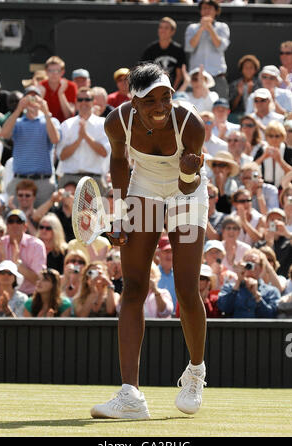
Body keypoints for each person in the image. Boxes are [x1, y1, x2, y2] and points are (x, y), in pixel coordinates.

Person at [90, 62, 208, 420]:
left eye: (166, 97)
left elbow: (189, 184)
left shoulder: (190, 124)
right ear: (132, 100)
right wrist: (117, 212)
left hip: (186, 194)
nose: (160, 106)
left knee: (187, 290)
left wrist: (188, 171)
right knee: (134, 287)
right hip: (143, 190)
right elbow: (118, 162)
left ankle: (196, 372)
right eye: (150, 100)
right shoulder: (116, 122)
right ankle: (131, 396)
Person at [0, 85, 60, 207]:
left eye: (35, 97)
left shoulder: (51, 121)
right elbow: (4, 134)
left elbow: (55, 139)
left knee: (44, 221)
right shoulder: (17, 122)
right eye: (29, 97)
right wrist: (18, 110)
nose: (32, 100)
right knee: (17, 219)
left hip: (43, 182)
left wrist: (46, 112)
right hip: (20, 181)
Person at [56, 86, 111, 193]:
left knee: (97, 210)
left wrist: (85, 136)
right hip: (69, 179)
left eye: (87, 99)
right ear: (76, 102)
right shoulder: (66, 125)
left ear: (93, 102)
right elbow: (61, 156)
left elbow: (104, 152)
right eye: (80, 100)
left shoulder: (102, 124)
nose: (84, 102)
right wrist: (79, 140)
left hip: (94, 179)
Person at [184, 0, 230, 99]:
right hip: (196, 78)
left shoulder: (222, 27)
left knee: (219, 108)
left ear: (216, 11)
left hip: (217, 76)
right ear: (200, 11)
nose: (206, 11)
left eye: (209, 8)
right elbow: (189, 47)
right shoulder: (192, 28)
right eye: (204, 8)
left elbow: (221, 46)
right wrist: (201, 29)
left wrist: (209, 28)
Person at [0, 209, 46, 295]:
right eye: (11, 221)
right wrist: (3, 260)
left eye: (19, 221)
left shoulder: (37, 245)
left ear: (25, 226)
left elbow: (38, 280)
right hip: (1, 294)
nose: (14, 225)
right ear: (7, 226)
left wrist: (17, 263)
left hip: (30, 296)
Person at [218, 248, 280, 318]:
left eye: (253, 263)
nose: (249, 266)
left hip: (259, 328)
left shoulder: (271, 292)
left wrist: (257, 296)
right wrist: (238, 283)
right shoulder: (229, 287)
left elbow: (272, 315)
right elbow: (224, 308)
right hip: (236, 328)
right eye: (247, 263)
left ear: (261, 268)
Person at [140, 17, 186, 90]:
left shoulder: (178, 50)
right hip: (154, 89)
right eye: (161, 27)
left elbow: (179, 75)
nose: (163, 30)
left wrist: (172, 91)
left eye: (166, 28)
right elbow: (146, 73)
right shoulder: (150, 50)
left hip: (175, 90)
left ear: (172, 31)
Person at [254, 121, 292, 189]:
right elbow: (252, 168)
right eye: (271, 136)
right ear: (266, 137)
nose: (274, 139)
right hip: (264, 188)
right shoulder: (262, 150)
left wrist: (280, 160)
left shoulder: (288, 151)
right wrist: (263, 157)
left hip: (283, 189)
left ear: (282, 137)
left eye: (277, 136)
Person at [40, 55, 77, 123]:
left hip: (65, 126)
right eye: (50, 70)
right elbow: (36, 114)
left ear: (62, 72)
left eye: (57, 70)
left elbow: (69, 115)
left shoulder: (71, 86)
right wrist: (41, 96)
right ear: (46, 72)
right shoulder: (40, 86)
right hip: (45, 125)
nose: (54, 73)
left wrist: (61, 93)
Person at [261, 208, 292, 278]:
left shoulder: (290, 241)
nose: (275, 223)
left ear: (285, 223)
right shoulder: (260, 244)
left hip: (287, 280)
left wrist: (286, 233)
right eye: (272, 220)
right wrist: (269, 243)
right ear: (266, 223)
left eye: (279, 220)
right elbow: (261, 262)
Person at [229, 54, 261, 123]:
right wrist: (239, 95)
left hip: (255, 115)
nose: (248, 70)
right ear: (242, 69)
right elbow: (231, 107)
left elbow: (261, 104)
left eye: (251, 68)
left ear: (255, 70)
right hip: (238, 115)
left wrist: (250, 93)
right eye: (246, 67)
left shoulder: (259, 84)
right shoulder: (235, 84)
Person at [155, 235, 176, 311]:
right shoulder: (152, 275)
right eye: (166, 251)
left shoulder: (180, 276)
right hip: (155, 320)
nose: (169, 255)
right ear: (158, 253)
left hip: (177, 320)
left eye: (172, 251)